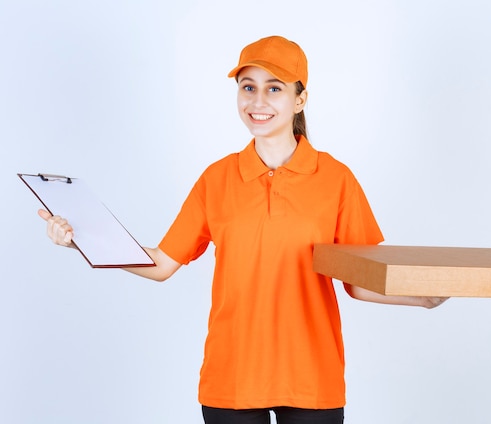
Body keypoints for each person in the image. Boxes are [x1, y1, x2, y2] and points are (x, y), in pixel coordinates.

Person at [38, 35, 447, 424]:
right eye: (247, 87)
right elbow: (162, 264)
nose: (258, 101)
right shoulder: (216, 180)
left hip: (312, 377)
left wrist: (421, 299)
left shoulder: (336, 179)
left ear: (300, 98)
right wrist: (81, 239)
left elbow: (359, 281)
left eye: (274, 88)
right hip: (231, 378)